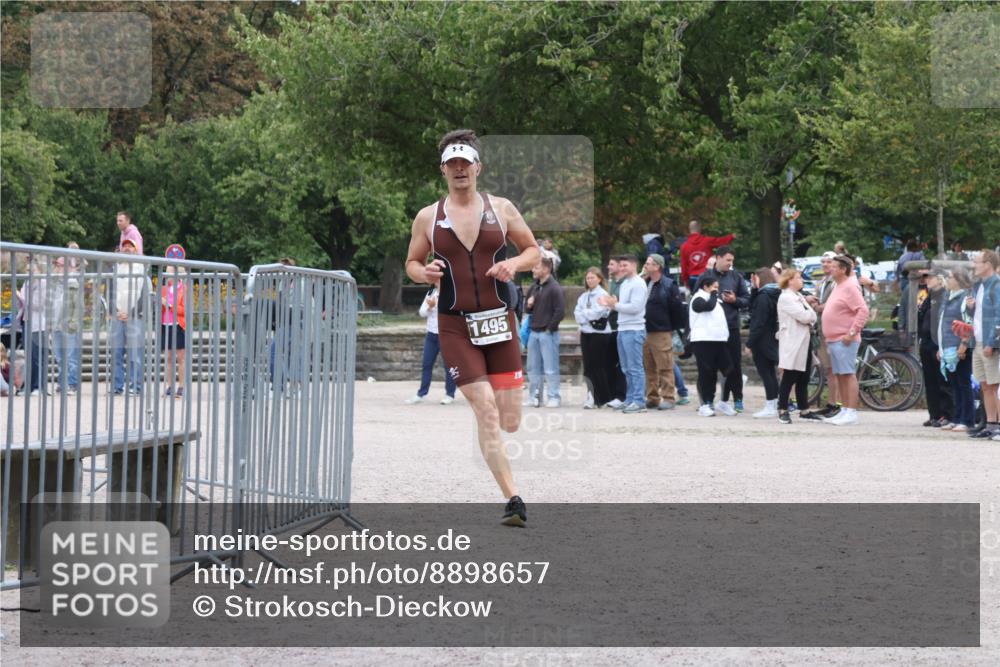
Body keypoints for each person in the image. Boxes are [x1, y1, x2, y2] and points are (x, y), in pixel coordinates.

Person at [404, 128, 540, 526]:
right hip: (454, 327)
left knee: (509, 418)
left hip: (500, 324)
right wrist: (423, 272)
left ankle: (500, 439)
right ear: (443, 170)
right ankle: (513, 499)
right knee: (486, 411)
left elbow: (533, 251)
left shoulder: (502, 209)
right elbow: (411, 263)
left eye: (465, 163)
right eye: (452, 164)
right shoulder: (428, 217)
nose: (459, 169)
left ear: (478, 167)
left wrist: (513, 264)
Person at [820, 255, 870, 425]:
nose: (830, 268)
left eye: (834, 266)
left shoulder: (850, 286)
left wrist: (852, 332)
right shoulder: (838, 285)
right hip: (834, 338)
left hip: (845, 339)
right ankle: (844, 409)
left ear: (843, 269)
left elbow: (862, 310)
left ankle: (851, 411)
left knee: (848, 374)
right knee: (840, 374)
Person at [701, 246, 750, 414]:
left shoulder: (736, 277)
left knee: (734, 366)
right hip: (710, 331)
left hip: (731, 327)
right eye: (728, 260)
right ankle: (708, 401)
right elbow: (695, 300)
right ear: (718, 258)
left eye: (732, 261)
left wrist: (735, 300)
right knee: (709, 367)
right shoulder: (706, 277)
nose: (730, 263)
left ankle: (737, 398)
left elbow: (746, 300)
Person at [599, 255, 648, 413]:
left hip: (634, 329)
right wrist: (611, 304)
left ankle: (639, 401)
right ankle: (630, 398)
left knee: (635, 367)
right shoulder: (625, 283)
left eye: (625, 265)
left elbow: (635, 307)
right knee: (626, 367)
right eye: (620, 266)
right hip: (622, 328)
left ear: (634, 265)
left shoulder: (638, 284)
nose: (622, 268)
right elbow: (621, 305)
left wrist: (615, 305)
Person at [775, 269, 821, 424]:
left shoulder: (798, 296)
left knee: (804, 377)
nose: (801, 280)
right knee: (789, 376)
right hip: (793, 342)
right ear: (790, 280)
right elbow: (805, 316)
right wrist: (810, 316)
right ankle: (782, 409)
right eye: (798, 278)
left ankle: (804, 409)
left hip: (804, 342)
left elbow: (811, 316)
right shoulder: (786, 297)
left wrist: (810, 316)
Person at [642, 253, 684, 410]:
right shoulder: (644, 283)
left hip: (662, 331)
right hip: (645, 330)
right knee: (649, 366)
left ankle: (668, 397)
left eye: (648, 263)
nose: (645, 265)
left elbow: (677, 309)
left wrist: (671, 328)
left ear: (657, 266)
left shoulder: (669, 284)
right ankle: (652, 397)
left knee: (665, 365)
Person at [405, 283, 458, 405]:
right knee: (426, 364)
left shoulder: (452, 292)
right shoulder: (431, 293)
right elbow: (422, 312)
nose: (436, 280)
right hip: (431, 334)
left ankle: (450, 394)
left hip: (446, 335)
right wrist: (430, 308)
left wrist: (436, 306)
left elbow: (452, 311)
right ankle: (421, 393)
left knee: (449, 366)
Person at [966, 250, 1000, 440]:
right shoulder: (979, 286)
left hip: (988, 343)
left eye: (977, 261)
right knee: (985, 385)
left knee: (995, 385)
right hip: (977, 340)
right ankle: (990, 423)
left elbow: (998, 316)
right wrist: (971, 309)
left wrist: (991, 342)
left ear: (988, 264)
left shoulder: (996, 285)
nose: (974, 265)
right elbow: (979, 316)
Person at [936, 269, 974, 432]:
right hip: (947, 348)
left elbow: (968, 322)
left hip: (959, 347)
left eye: (950, 277)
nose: (947, 280)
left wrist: (963, 345)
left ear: (959, 280)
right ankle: (956, 417)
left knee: (963, 383)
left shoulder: (965, 298)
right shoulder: (947, 297)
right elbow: (942, 325)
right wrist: (941, 348)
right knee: (954, 384)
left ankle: (967, 419)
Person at [524, 257, 565, 408]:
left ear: (546, 269)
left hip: (548, 333)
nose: (533, 270)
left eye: (536, 267)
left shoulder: (555, 288)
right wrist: (529, 305)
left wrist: (549, 329)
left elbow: (560, 311)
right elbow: (526, 309)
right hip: (534, 332)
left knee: (550, 367)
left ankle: (554, 396)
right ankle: (535, 397)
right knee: (533, 367)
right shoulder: (534, 287)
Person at [688, 274, 731, 416]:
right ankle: (706, 403)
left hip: (718, 340)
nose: (716, 290)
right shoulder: (698, 298)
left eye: (717, 288)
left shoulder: (716, 300)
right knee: (707, 373)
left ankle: (722, 402)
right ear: (705, 286)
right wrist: (713, 295)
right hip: (702, 341)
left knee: (729, 369)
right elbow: (707, 307)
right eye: (714, 287)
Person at [110, 238, 147, 395]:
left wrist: (131, 313)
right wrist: (115, 311)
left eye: (130, 246)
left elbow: (145, 294)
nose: (126, 248)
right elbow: (111, 291)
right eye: (124, 246)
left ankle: (135, 386)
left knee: (135, 354)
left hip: (135, 318)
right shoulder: (116, 267)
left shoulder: (141, 268)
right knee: (116, 353)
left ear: (136, 249)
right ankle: (118, 386)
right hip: (118, 316)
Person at [916, 270, 953, 428]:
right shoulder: (928, 295)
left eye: (930, 277)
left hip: (937, 343)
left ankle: (947, 414)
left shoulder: (944, 295)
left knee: (942, 380)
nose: (927, 280)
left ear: (939, 279)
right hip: (926, 342)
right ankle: (934, 414)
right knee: (930, 381)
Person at [573, 267, 614, 409]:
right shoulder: (584, 296)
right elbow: (577, 314)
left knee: (598, 366)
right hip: (586, 332)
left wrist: (586, 314)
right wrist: (586, 315)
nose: (590, 280)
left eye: (593, 277)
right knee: (588, 366)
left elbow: (598, 313)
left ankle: (602, 397)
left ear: (599, 279)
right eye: (588, 278)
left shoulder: (603, 294)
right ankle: (591, 395)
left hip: (599, 334)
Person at [807, 251, 841, 416]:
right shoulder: (822, 282)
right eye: (823, 262)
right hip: (822, 330)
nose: (825, 264)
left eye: (829, 262)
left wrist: (819, 306)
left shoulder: (836, 283)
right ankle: (832, 403)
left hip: (832, 330)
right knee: (829, 369)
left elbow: (832, 303)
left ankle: (835, 404)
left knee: (834, 370)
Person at [746, 267, 781, 418]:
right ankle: (774, 403)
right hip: (771, 337)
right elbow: (751, 305)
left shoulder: (763, 297)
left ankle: (770, 404)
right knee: (770, 373)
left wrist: (749, 343)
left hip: (762, 340)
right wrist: (754, 289)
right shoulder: (772, 293)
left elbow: (757, 322)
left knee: (766, 373)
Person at [49, 252, 83, 394]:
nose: (57, 267)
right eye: (57, 265)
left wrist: (73, 323)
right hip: (56, 325)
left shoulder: (73, 284)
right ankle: (63, 383)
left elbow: (78, 306)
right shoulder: (55, 283)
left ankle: (72, 383)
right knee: (59, 356)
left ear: (69, 267)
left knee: (70, 356)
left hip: (68, 326)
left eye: (60, 265)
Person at [16, 258, 49, 396]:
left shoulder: (43, 283)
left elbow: (38, 304)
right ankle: (29, 386)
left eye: (32, 270)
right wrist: (19, 299)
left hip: (38, 324)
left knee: (37, 357)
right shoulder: (27, 282)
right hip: (26, 321)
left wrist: (23, 298)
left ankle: (38, 387)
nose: (29, 272)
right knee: (29, 356)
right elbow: (23, 306)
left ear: (39, 270)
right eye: (27, 270)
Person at [160, 245, 188, 397]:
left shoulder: (184, 289)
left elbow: (185, 310)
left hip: (179, 325)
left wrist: (169, 305)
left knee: (180, 358)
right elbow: (160, 308)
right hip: (166, 325)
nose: (169, 275)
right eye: (168, 272)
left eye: (171, 272)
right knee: (169, 358)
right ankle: (170, 386)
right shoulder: (164, 289)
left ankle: (181, 386)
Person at [680, 220, 734, 292]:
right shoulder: (706, 241)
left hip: (693, 278)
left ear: (689, 229)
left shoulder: (684, 246)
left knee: (696, 300)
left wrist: (686, 281)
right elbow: (721, 241)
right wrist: (732, 236)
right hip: (707, 277)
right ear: (700, 229)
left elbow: (684, 266)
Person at [604, 256, 627, 408]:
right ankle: (613, 394)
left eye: (612, 264)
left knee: (621, 364)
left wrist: (612, 304)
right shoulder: (610, 283)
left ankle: (621, 395)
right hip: (609, 328)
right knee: (610, 363)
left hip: (620, 327)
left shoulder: (625, 284)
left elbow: (617, 304)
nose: (608, 266)